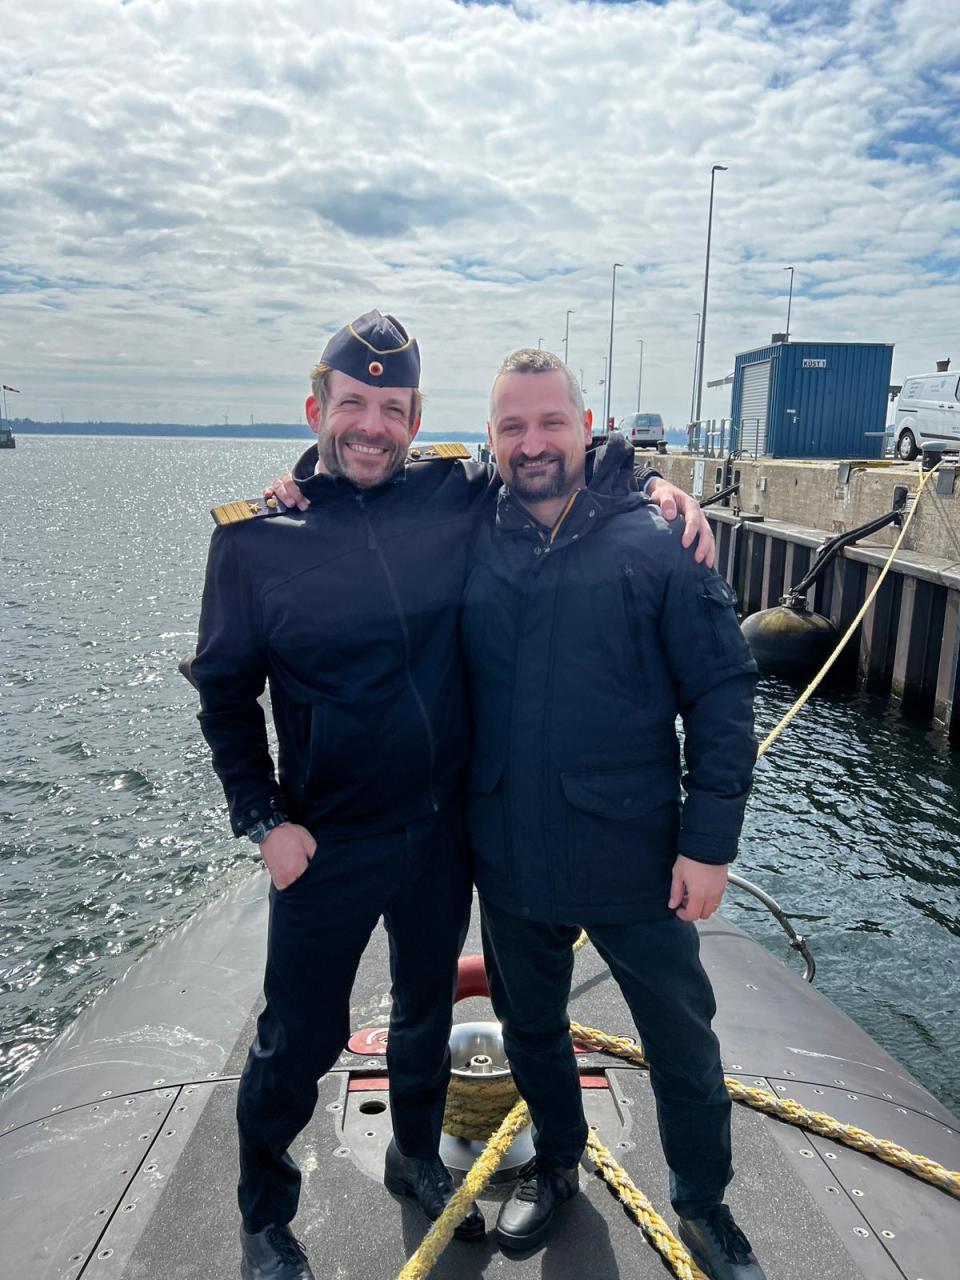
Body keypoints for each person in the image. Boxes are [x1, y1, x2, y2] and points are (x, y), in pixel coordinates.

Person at [182, 311, 712, 1280]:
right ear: (318, 409)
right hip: (328, 835)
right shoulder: (256, 543)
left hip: (440, 829)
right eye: (354, 404)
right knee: (297, 1035)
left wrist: (655, 485)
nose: (372, 425)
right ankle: (265, 1215)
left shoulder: (453, 493)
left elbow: (556, 455)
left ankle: (414, 1154)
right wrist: (262, 819)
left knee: (426, 1007)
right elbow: (224, 693)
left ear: (416, 417)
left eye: (393, 407)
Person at [461, 348, 765, 1280]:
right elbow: (368, 484)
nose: (532, 442)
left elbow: (722, 694)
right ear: (491, 438)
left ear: (587, 428)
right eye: (512, 426)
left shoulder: (656, 541)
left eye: (551, 421)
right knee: (533, 1030)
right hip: (511, 848)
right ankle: (559, 1161)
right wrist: (300, 475)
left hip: (636, 852)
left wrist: (708, 847)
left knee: (682, 1041)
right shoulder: (468, 523)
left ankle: (703, 1202)